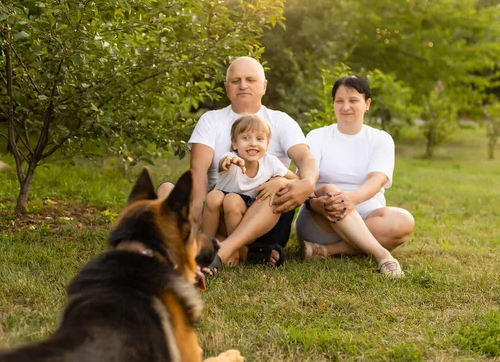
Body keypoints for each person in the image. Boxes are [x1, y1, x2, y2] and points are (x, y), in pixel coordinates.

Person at [157, 56, 318, 276]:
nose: (242, 85)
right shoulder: (211, 120)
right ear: (226, 87)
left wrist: (307, 183)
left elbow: (306, 159)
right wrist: (195, 222)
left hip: (264, 217)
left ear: (264, 85)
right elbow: (198, 171)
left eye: (250, 79)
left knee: (276, 188)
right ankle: (244, 252)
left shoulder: (281, 121)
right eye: (235, 81)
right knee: (166, 190)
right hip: (216, 212)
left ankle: (220, 253)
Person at [294, 75, 414, 278]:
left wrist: (351, 200)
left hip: (369, 220)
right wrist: (315, 203)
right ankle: (382, 254)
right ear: (333, 104)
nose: (345, 107)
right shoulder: (317, 136)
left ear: (367, 104)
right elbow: (304, 178)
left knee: (404, 221)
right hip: (321, 221)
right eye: (339, 101)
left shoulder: (380, 139)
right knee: (333, 190)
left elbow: (377, 180)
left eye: (353, 100)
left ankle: (326, 251)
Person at [202, 114, 299, 251]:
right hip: (221, 220)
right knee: (216, 197)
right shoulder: (230, 158)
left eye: (259, 139)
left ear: (267, 143)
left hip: (250, 221)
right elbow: (224, 162)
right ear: (234, 143)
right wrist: (230, 161)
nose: (253, 143)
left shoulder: (270, 162)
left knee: (232, 200)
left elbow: (296, 181)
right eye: (245, 138)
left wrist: (281, 181)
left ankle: (236, 250)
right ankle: (206, 246)